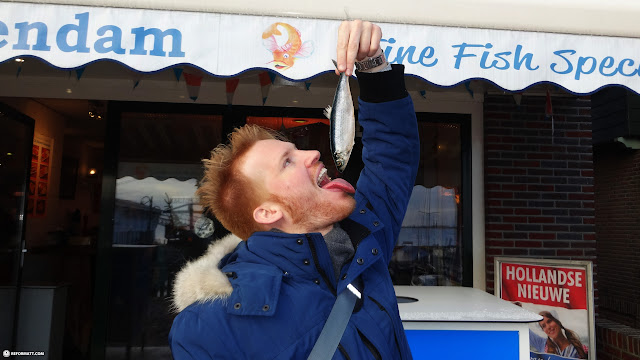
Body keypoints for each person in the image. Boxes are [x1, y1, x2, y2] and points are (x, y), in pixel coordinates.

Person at [169, 19, 419, 360]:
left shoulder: (364, 238)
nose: (313, 153)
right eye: (287, 162)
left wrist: (372, 65)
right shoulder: (207, 326)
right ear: (269, 212)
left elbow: (392, 155)